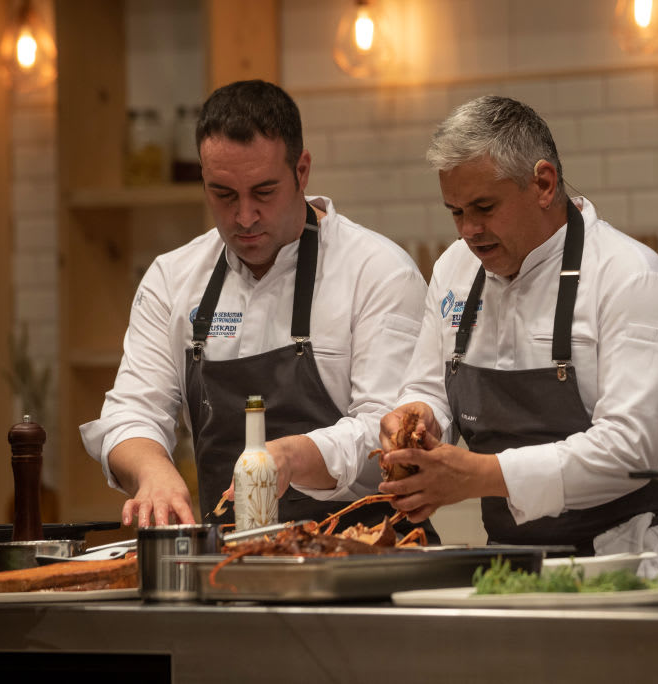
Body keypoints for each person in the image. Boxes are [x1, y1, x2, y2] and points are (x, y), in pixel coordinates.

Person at [81, 80, 436, 542]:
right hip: (232, 562)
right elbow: (131, 412)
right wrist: (153, 473)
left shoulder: (378, 272)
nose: (244, 216)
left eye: (263, 191)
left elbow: (386, 435)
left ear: (302, 170)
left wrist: (291, 457)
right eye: (223, 194)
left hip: (369, 555)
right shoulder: (173, 279)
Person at [376, 95, 658, 569]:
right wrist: (415, 418)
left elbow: (630, 448)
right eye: (456, 212)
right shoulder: (454, 271)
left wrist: (481, 474)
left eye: (484, 207)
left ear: (543, 183)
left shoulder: (631, 279)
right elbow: (428, 386)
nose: (469, 229)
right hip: (512, 560)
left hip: (632, 561)